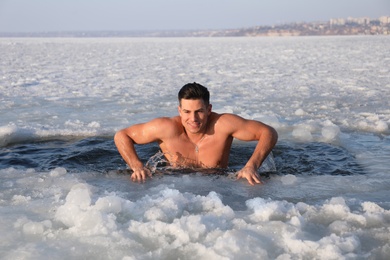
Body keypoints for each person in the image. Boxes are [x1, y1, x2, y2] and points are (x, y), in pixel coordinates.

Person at [114, 82, 278, 185]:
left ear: (209, 109)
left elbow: (268, 132)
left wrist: (251, 166)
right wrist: (137, 166)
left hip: (218, 187)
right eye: (186, 112)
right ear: (179, 110)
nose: (193, 118)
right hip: (175, 187)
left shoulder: (223, 124)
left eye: (199, 111)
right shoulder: (166, 128)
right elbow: (122, 136)